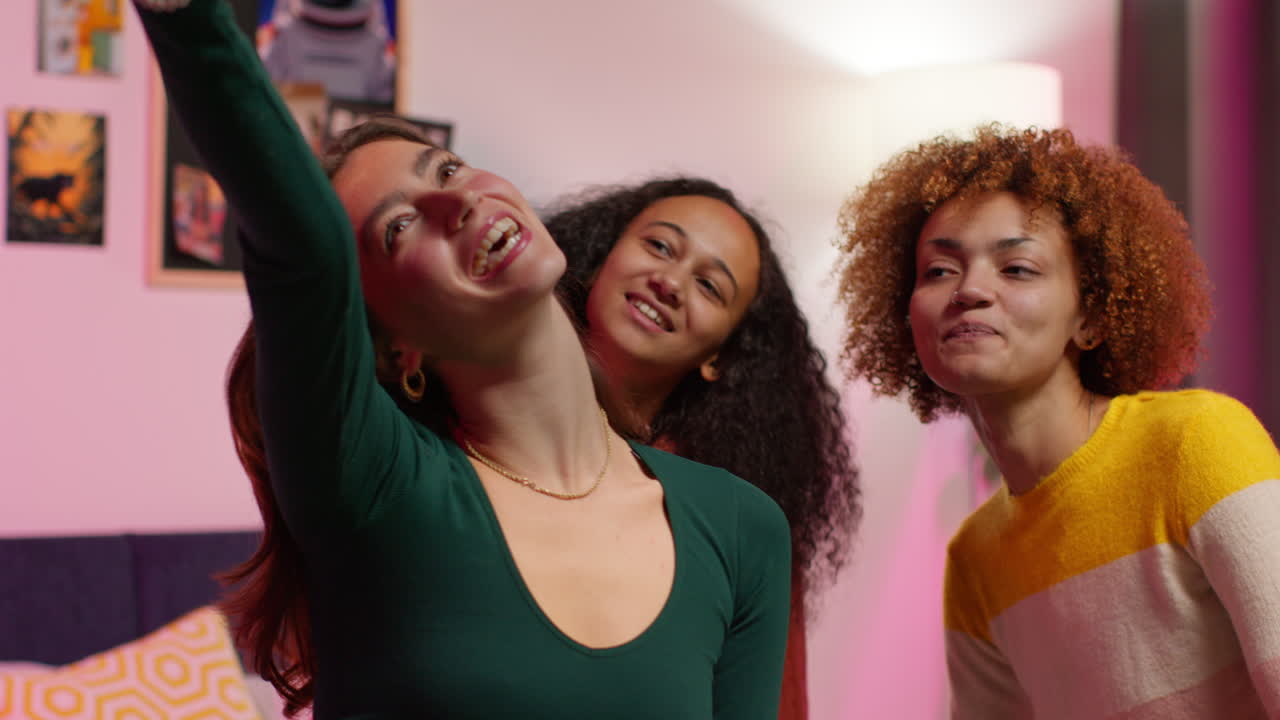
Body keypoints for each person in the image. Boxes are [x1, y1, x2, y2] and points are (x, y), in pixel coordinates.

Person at [133, 2, 791, 719]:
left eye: (446, 167)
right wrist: (188, 18)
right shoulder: (377, 490)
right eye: (401, 225)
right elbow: (303, 249)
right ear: (394, 350)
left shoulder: (740, 527)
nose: (459, 202)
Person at [836, 124, 1280, 719]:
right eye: (939, 270)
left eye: (1016, 268)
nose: (970, 290)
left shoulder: (1196, 442)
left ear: (1090, 316)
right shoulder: (976, 558)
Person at [544, 179, 863, 720]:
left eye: (710, 286)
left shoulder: (734, 523)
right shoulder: (465, 413)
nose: (669, 282)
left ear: (719, 356)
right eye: (660, 246)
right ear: (601, 258)